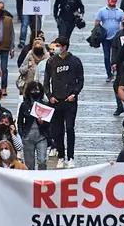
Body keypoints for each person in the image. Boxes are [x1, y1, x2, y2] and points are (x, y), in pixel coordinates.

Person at [44, 37, 84, 169]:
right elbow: (46, 81)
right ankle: (61, 156)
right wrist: (49, 96)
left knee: (70, 128)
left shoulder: (75, 61)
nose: (55, 48)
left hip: (70, 101)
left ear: (64, 47)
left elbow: (80, 80)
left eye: (58, 46)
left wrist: (74, 94)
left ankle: (71, 157)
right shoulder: (51, 61)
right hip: (56, 101)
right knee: (57, 131)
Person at [18, 81, 51, 170]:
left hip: (42, 136)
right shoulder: (24, 105)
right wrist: (22, 135)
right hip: (27, 136)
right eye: (33, 90)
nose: (35, 92)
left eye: (37, 90)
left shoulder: (45, 105)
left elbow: (49, 124)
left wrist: (42, 123)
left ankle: (42, 176)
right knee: (29, 164)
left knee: (42, 161)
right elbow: (20, 122)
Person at [95, 0, 124, 82]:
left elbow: (123, 24)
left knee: (116, 56)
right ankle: (109, 74)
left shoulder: (120, 12)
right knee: (106, 57)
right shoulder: (102, 11)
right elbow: (97, 22)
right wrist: (97, 34)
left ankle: (116, 72)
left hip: (116, 38)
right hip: (105, 38)